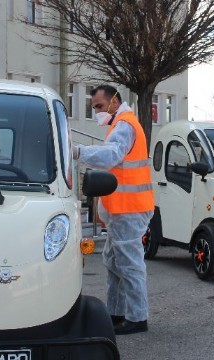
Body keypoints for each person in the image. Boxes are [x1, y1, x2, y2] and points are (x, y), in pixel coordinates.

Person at [72, 85, 154, 335]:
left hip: (130, 209)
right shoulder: (119, 125)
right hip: (123, 209)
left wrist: (77, 152)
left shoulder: (124, 126)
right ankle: (116, 314)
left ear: (114, 102)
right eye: (94, 107)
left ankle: (137, 318)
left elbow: (111, 156)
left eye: (98, 106)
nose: (96, 111)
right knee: (115, 261)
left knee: (128, 263)